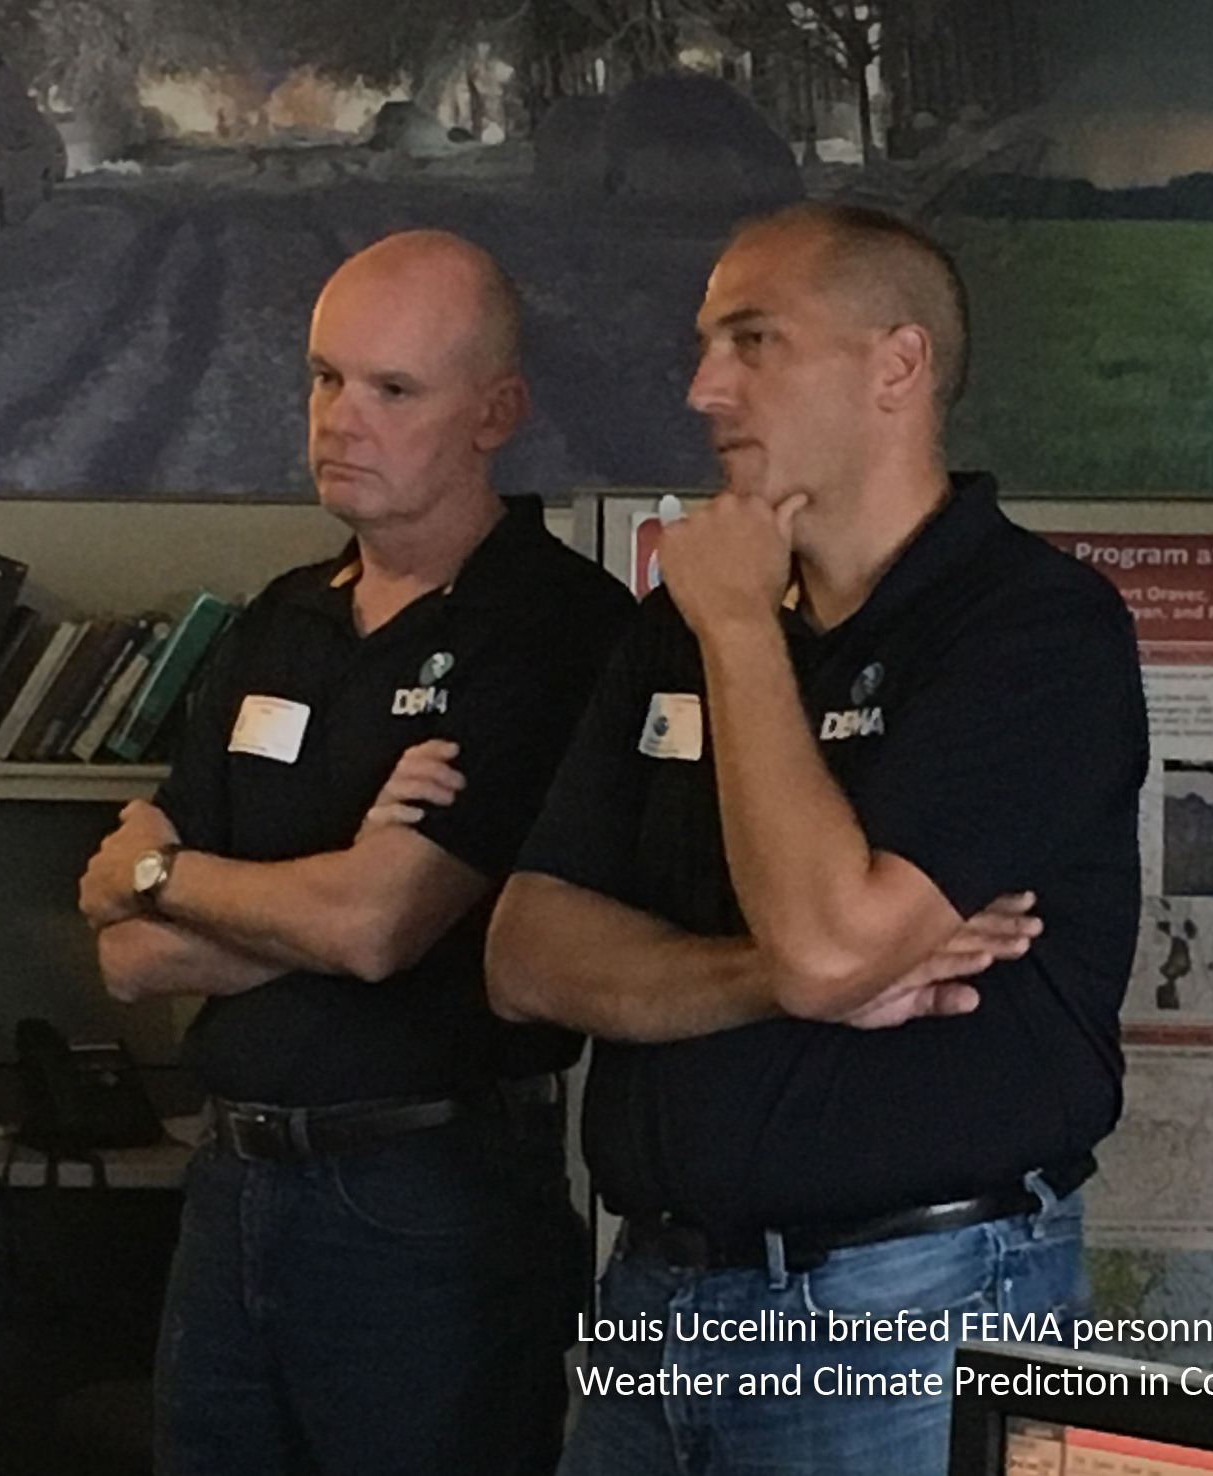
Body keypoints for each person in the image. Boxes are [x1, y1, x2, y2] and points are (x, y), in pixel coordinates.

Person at [486, 202, 1148, 1476]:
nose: (701, 387)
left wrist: (740, 630)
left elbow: (833, 943)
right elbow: (526, 956)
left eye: (752, 341)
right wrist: (767, 975)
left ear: (894, 365)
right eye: (703, 345)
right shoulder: (674, 627)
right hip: (653, 1299)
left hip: (909, 1308)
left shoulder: (1033, 630)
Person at [74, 229, 632, 1476]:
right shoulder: (280, 617)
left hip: (427, 1194)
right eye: (326, 379)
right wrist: (320, 902)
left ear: (496, 411)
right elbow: (125, 957)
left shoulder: (554, 627)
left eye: (392, 389)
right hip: (230, 1180)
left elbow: (376, 927)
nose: (341, 418)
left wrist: (178, 880)